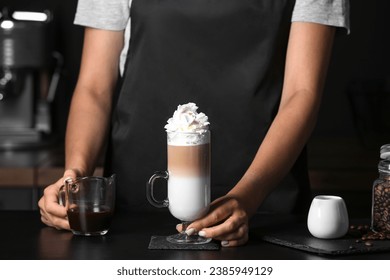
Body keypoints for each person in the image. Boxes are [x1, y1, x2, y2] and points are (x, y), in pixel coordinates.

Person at [39, 0, 350, 247]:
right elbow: (95, 87)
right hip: (138, 211)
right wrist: (74, 177)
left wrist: (248, 197)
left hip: (263, 212)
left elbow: (302, 94)